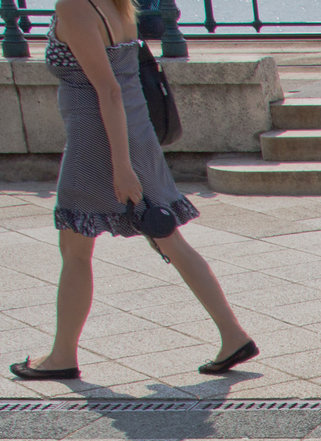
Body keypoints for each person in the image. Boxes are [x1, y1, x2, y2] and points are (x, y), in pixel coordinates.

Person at [9, 0, 257, 382]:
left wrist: (122, 168)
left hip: (99, 143)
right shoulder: (118, 4)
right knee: (168, 238)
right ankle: (233, 335)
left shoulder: (74, 7)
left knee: (76, 251)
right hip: (135, 133)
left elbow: (107, 90)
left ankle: (62, 355)